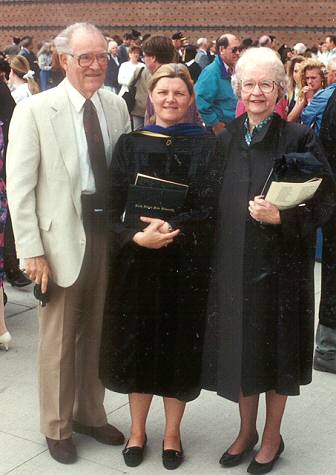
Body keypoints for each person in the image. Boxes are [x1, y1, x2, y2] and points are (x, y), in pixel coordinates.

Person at [202, 47, 335, 474]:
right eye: (248, 84)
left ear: (280, 89)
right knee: (242, 351)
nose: (256, 91)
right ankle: (246, 431)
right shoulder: (224, 140)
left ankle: (272, 436)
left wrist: (284, 216)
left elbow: (327, 198)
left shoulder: (298, 139)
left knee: (276, 354)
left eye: (266, 84)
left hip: (281, 269)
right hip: (234, 268)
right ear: (238, 88)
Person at [6, 22, 131, 464]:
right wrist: (30, 250)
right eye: (86, 57)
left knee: (97, 331)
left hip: (104, 235)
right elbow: (19, 188)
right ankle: (56, 425)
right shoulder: (36, 110)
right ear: (64, 61)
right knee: (59, 338)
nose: (96, 65)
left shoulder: (116, 106)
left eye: (102, 56)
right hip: (57, 242)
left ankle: (90, 414)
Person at [99, 63, 219, 470]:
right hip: (137, 263)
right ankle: (137, 430)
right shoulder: (130, 143)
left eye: (179, 93)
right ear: (150, 97)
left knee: (177, 349)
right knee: (139, 345)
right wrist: (136, 236)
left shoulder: (205, 145)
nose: (170, 99)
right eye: (163, 92)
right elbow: (112, 205)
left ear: (189, 100)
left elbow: (209, 204)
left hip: (184, 264)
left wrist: (175, 227)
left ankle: (171, 432)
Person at [195, 34, 240, 135]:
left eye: (239, 49)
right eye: (234, 49)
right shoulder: (211, 72)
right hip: (222, 131)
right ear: (222, 49)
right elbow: (200, 101)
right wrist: (215, 124)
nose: (238, 53)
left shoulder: (233, 70)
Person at [288, 58, 326, 122]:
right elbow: (289, 119)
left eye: (313, 78)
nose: (310, 81)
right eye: (307, 78)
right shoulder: (304, 93)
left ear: (322, 78)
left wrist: (309, 101)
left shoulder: (326, 95)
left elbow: (309, 119)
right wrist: (302, 102)